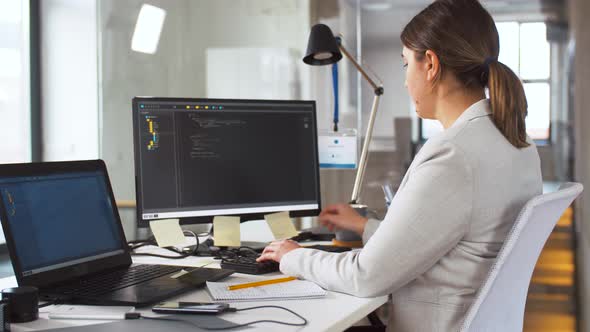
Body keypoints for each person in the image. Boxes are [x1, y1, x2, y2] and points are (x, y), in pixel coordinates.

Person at [257, 0, 543, 330]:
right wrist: (366, 227)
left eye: (406, 64)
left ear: (431, 64)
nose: (406, 81)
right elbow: (452, 245)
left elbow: (367, 276)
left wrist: (293, 255)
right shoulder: (516, 143)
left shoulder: (453, 156)